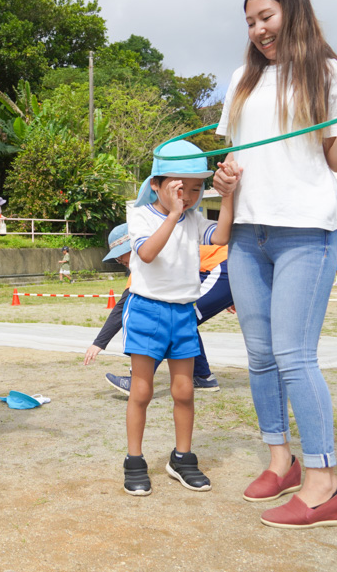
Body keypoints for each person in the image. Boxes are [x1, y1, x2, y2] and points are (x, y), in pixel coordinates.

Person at [211, 0, 337, 528]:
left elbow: (334, 161)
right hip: (247, 233)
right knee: (260, 356)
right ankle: (279, 461)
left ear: (293, 10)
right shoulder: (243, 78)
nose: (259, 30)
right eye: (250, 22)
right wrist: (224, 180)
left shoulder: (331, 73)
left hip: (305, 231)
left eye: (266, 17)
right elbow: (237, 155)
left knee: (294, 356)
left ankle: (323, 482)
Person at [112, 139, 236, 498]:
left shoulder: (194, 218)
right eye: (181, 188)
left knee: (184, 391)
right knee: (142, 390)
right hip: (147, 310)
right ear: (156, 184)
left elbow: (223, 235)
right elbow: (147, 254)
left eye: (197, 188)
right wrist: (172, 215)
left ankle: (182, 457)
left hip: (183, 313)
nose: (190, 196)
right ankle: (134, 460)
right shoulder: (139, 216)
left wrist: (226, 197)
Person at [90, 225, 229, 394]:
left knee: (172, 321)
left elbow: (121, 308)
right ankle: (202, 376)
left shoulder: (148, 259)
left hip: (223, 267)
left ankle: (137, 381)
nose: (120, 262)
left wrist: (99, 343)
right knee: (183, 319)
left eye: (120, 256)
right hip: (225, 271)